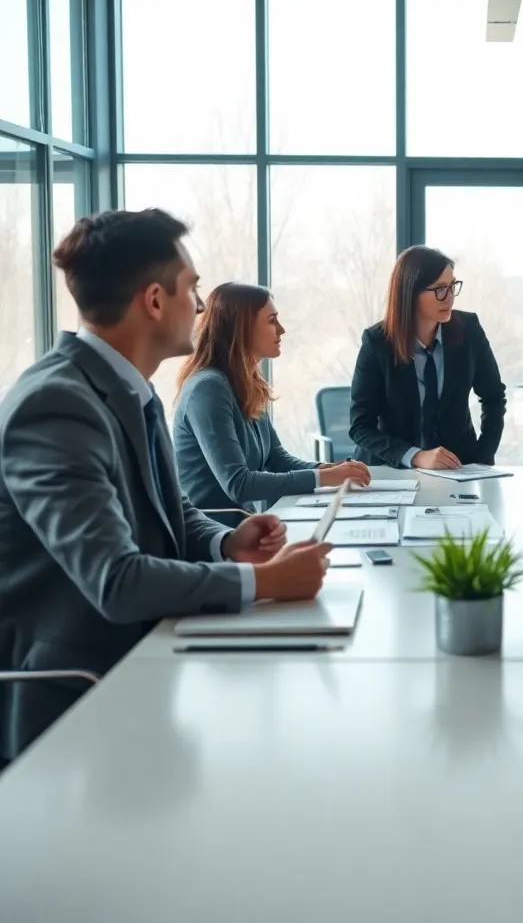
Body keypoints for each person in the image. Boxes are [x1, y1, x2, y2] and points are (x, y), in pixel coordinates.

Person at [0, 210, 330, 764]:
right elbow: (117, 579)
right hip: (74, 698)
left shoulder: (128, 388)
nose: (201, 308)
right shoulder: (56, 406)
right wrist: (261, 580)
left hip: (143, 657)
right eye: (192, 290)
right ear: (154, 301)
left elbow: (168, 505)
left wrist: (224, 542)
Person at [174, 282, 371, 520]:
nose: (282, 330)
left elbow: (276, 459)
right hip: (214, 537)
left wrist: (327, 469)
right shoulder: (207, 389)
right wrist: (325, 478)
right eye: (272, 320)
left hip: (246, 527)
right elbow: (239, 483)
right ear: (242, 328)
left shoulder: (247, 383)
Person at [349, 246, 507, 469]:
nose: (449, 297)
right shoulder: (377, 342)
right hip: (392, 471)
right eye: (440, 289)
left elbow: (494, 398)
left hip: (457, 469)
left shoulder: (469, 330)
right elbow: (360, 427)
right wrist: (415, 456)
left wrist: (482, 460)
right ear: (410, 293)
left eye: (452, 286)